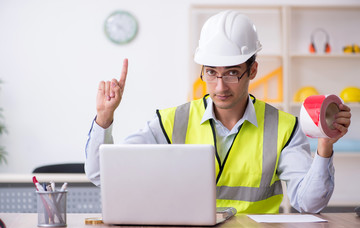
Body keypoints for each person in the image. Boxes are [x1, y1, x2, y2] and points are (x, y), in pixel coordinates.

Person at [85, 10, 351, 214]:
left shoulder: (284, 128)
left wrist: (324, 145)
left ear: (253, 71)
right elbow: (101, 176)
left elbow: (308, 203)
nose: (220, 86)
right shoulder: (170, 122)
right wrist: (104, 117)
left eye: (232, 73)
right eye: (211, 73)